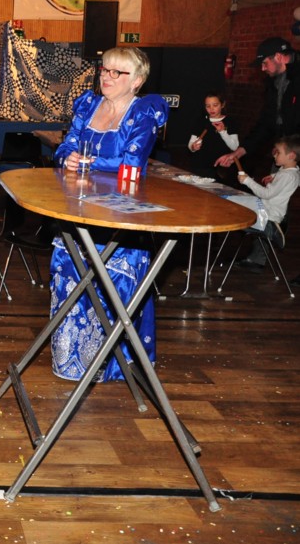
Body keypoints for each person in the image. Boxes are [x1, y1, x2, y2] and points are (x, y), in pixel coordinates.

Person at [53, 46, 169, 381]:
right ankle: (70, 362)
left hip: (119, 213)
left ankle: (109, 364)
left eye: (118, 72)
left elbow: (132, 163)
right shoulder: (88, 105)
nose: (107, 76)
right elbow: (65, 145)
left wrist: (87, 163)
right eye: (104, 69)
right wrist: (67, 158)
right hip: (75, 206)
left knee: (111, 285)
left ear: (137, 81)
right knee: (70, 278)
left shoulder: (143, 112)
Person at [216, 37, 300, 285]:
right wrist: (239, 152)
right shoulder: (273, 84)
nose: (262, 69)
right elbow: (265, 123)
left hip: (294, 150)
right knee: (270, 200)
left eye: (264, 63)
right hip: (286, 151)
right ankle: (258, 257)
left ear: (279, 57)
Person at [233, 135, 300, 272]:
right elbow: (294, 177)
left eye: (278, 152)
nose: (274, 155)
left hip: (267, 217)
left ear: (291, 156)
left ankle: (272, 230)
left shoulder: (287, 175)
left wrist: (247, 181)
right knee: (237, 200)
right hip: (265, 210)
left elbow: (266, 194)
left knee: (234, 208)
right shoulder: (291, 171)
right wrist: (275, 177)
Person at [187, 92, 239, 181]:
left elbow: (234, 147)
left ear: (222, 105)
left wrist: (222, 132)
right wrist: (193, 147)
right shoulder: (201, 121)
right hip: (200, 166)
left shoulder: (230, 121)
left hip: (220, 167)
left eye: (215, 105)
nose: (211, 109)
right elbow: (191, 143)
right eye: (208, 106)